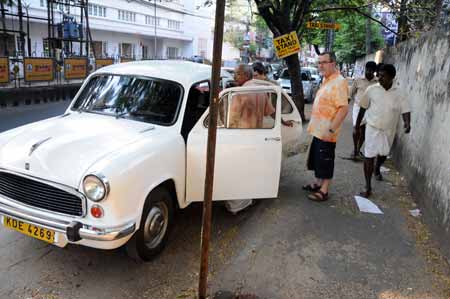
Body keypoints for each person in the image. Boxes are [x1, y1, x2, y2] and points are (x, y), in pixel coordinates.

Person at [355, 64, 411, 198]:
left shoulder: (399, 93)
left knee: (383, 154)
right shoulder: (371, 89)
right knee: (369, 156)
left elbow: (406, 109)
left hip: (389, 130)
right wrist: (357, 124)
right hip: (372, 128)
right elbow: (363, 107)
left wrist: (407, 123)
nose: (379, 78)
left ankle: (377, 167)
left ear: (392, 77)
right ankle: (367, 187)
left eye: (383, 76)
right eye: (378, 75)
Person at [303, 52, 349, 202]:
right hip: (318, 130)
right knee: (317, 159)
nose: (320, 65)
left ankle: (324, 190)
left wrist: (331, 129)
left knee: (326, 160)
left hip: (328, 132)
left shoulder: (339, 82)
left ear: (333, 63)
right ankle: (318, 183)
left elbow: (343, 108)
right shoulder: (326, 79)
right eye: (319, 62)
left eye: (323, 62)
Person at [349, 61, 378, 160]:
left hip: (370, 109)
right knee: (356, 128)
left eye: (371, 70)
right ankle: (354, 149)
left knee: (364, 131)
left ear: (374, 71)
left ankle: (357, 149)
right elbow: (350, 94)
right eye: (367, 70)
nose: (369, 72)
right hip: (358, 107)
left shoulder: (377, 82)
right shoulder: (358, 80)